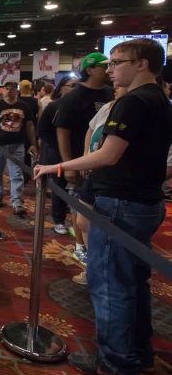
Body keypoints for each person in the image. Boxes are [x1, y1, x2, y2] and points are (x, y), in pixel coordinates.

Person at [35, 39, 172, 375]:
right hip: (145, 200)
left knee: (111, 285)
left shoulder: (134, 101)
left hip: (121, 203)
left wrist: (58, 167)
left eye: (117, 62)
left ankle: (117, 363)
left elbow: (108, 154)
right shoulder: (159, 99)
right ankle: (139, 353)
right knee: (133, 281)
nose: (109, 69)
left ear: (142, 64)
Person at [55, 53, 114, 265]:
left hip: (104, 162)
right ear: (90, 70)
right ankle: (81, 246)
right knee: (80, 205)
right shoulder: (74, 97)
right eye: (103, 67)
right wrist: (68, 163)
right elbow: (62, 131)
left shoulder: (112, 94)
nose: (108, 71)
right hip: (80, 162)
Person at [69, 85, 128, 285]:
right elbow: (91, 129)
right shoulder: (108, 107)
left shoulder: (136, 107)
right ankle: (93, 268)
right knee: (84, 222)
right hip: (95, 173)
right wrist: (87, 155)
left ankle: (105, 275)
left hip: (118, 181)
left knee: (113, 236)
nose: (115, 88)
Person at [0, 81, 38, 215]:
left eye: (12, 89)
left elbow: (30, 125)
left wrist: (33, 143)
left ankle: (17, 202)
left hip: (17, 144)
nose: (9, 91)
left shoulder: (23, 106)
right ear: (4, 90)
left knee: (17, 174)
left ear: (17, 91)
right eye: (7, 89)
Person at [37, 75, 79, 235]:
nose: (76, 88)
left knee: (78, 191)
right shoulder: (53, 107)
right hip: (55, 154)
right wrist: (58, 146)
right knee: (59, 187)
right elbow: (42, 131)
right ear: (62, 88)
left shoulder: (80, 105)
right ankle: (59, 220)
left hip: (78, 154)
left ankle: (77, 223)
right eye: (72, 85)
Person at [19, 79, 40, 183]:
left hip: (19, 129)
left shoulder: (17, 100)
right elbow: (40, 118)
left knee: (19, 153)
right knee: (31, 153)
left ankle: (21, 175)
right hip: (32, 129)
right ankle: (27, 175)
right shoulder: (37, 101)